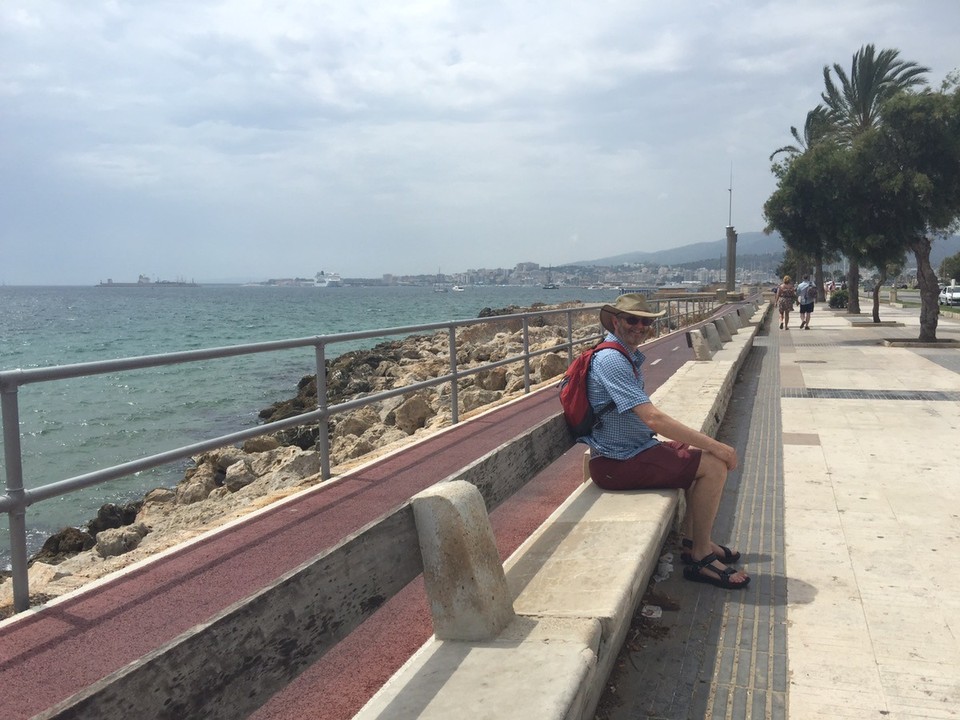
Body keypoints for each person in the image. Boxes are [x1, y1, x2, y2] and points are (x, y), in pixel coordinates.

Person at [581, 294, 749, 590]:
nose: (640, 326)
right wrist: (716, 445)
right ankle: (700, 557)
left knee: (706, 459)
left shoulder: (622, 354)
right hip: (617, 463)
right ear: (616, 321)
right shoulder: (611, 360)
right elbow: (653, 419)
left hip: (633, 452)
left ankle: (695, 541)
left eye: (646, 321)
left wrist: (708, 446)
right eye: (632, 320)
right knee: (713, 465)